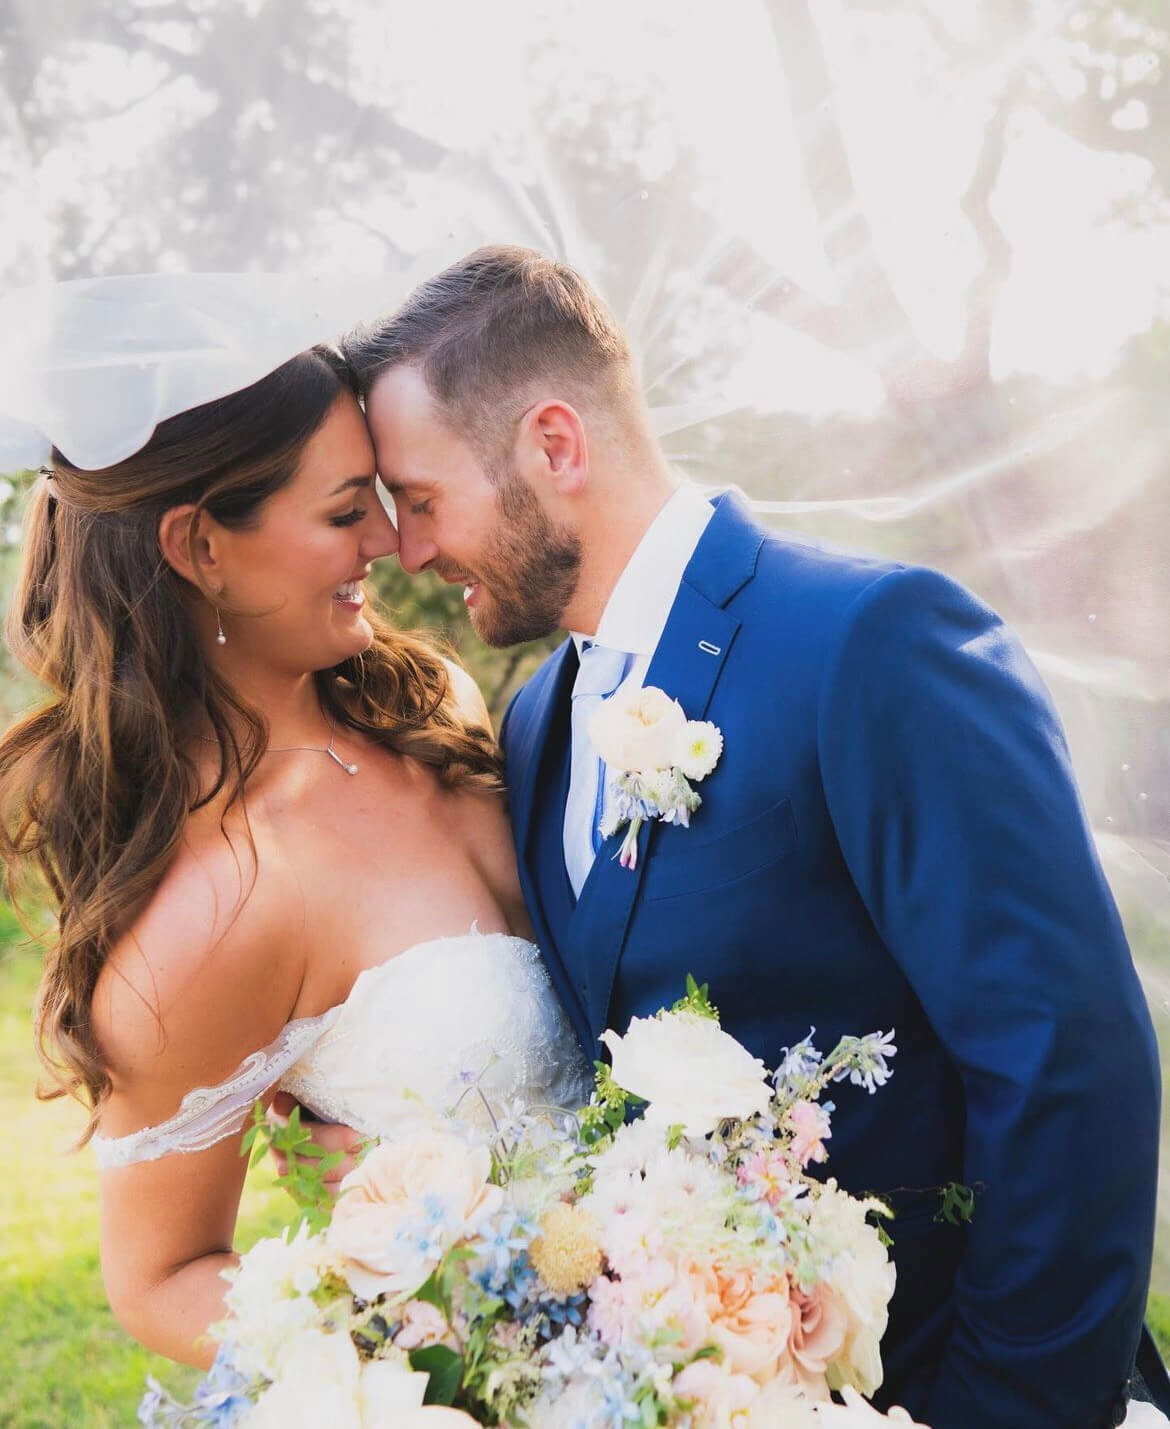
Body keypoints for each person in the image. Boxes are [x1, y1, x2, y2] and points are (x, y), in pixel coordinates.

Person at [333, 244, 1166, 1426]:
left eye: (421, 500)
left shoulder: (871, 643)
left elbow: (1068, 1068)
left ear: (554, 446)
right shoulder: (533, 724)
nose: (409, 549)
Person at [0, 333, 592, 1368]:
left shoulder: (428, 703)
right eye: (343, 508)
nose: (391, 539)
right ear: (201, 548)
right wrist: (431, 1341)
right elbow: (159, 1276)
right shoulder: (215, 909)